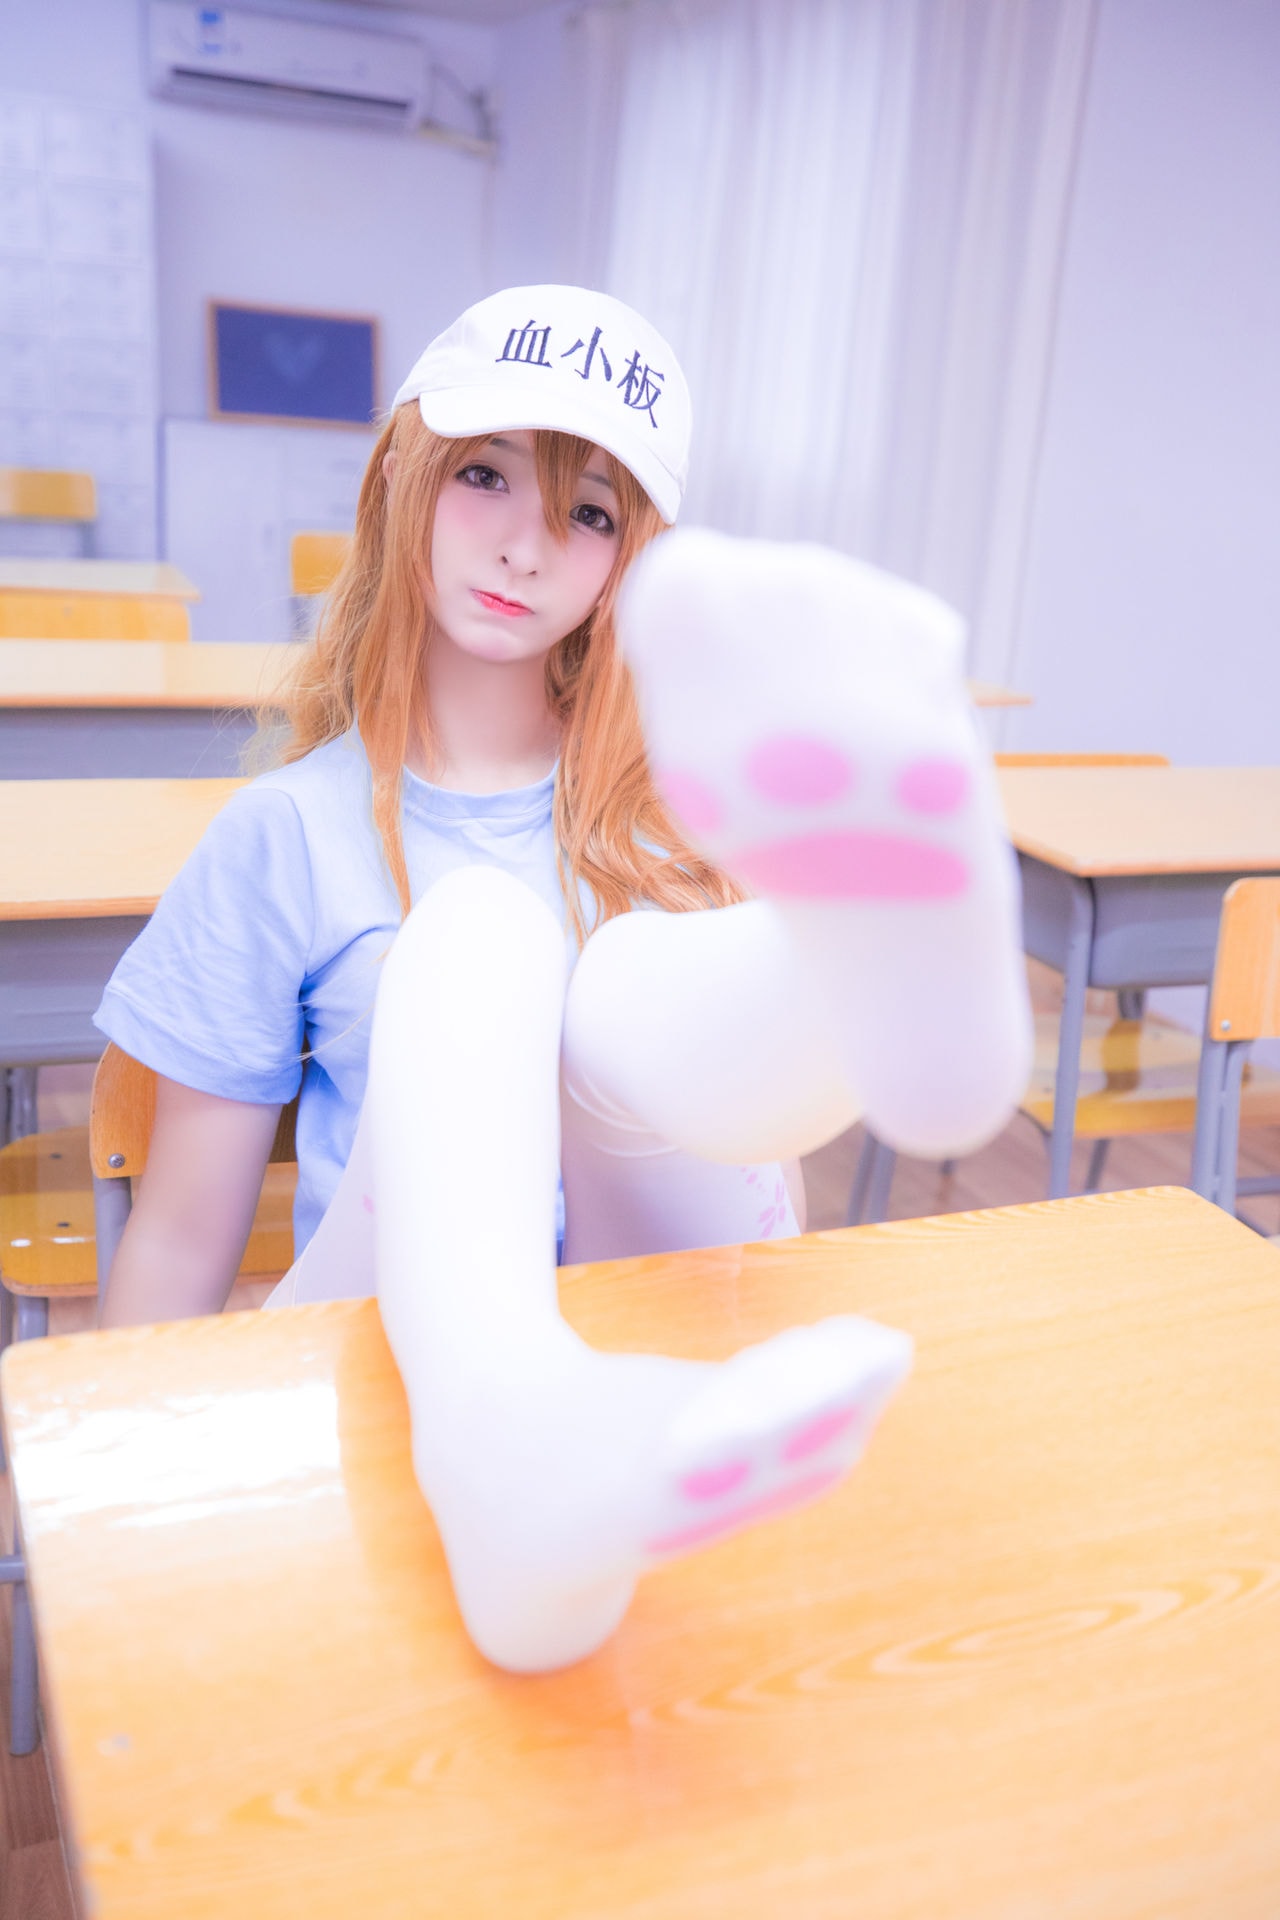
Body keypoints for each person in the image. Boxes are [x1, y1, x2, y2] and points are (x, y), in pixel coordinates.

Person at [94, 284, 1032, 1670]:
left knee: (627, 995)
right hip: (387, 1342)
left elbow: (747, 1191)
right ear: (401, 479)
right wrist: (115, 1525)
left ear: (626, 564)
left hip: (657, 1365)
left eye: (588, 512)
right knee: (483, 938)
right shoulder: (285, 833)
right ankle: (510, 1424)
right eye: (484, 476)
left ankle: (854, 984)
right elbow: (180, 1237)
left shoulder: (674, 822)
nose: (526, 547)